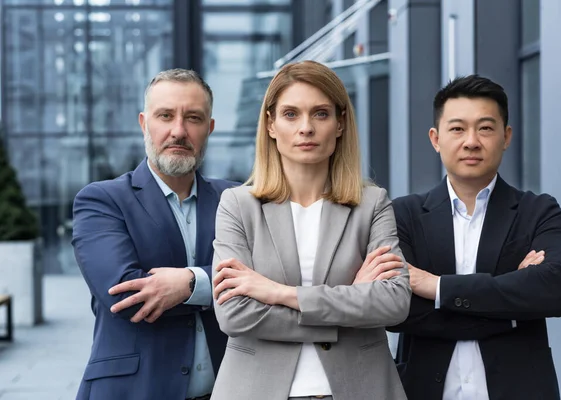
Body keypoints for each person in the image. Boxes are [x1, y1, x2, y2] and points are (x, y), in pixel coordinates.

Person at [209, 60, 412, 400]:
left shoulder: (372, 204)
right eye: (291, 114)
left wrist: (279, 293)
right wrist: (348, 304)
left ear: (340, 124)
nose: (306, 128)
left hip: (360, 388)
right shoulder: (237, 205)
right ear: (271, 124)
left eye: (320, 113)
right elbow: (234, 313)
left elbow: (393, 302)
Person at [388, 75, 561, 400]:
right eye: (457, 129)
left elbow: (560, 287)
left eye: (486, 128)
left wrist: (437, 288)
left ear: (506, 136)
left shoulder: (537, 211)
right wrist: (511, 309)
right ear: (435, 139)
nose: (471, 141)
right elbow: (396, 311)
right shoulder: (403, 215)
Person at [72, 69, 236, 400]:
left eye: (193, 117)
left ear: (210, 128)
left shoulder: (236, 200)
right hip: (134, 390)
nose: (179, 131)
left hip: (229, 389)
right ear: (145, 123)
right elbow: (124, 296)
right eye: (165, 116)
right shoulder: (102, 200)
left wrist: (188, 284)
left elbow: (266, 276)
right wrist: (216, 286)